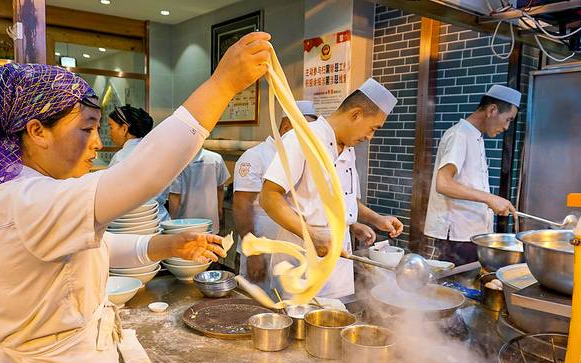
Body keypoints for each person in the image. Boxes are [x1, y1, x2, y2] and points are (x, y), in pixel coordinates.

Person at [0, 31, 271, 363]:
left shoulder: (28, 192)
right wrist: (223, 84)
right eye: (86, 128)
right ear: (37, 131)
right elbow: (142, 174)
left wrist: (165, 245)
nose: (98, 142)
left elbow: (83, 251)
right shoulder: (28, 199)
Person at [260, 79, 404, 299]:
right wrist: (312, 235)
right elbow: (269, 197)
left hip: (339, 265)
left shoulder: (348, 147)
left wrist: (375, 219)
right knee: (297, 328)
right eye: (372, 128)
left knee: (333, 327)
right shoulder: (303, 138)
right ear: (356, 114)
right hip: (300, 261)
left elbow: (343, 199)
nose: (369, 137)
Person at [424, 84, 520, 266]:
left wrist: (493, 201)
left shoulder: (475, 136)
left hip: (470, 235)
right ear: (492, 110)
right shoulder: (460, 134)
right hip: (457, 236)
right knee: (454, 290)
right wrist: (490, 198)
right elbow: (443, 183)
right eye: (508, 119)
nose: (507, 127)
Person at [233, 100, 318, 286]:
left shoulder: (303, 157)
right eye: (306, 132)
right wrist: (254, 253)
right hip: (263, 246)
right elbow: (242, 207)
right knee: (257, 305)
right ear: (287, 127)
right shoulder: (255, 157)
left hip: (293, 250)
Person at [107, 105, 170, 221]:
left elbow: (110, 196)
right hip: (161, 219)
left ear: (125, 129)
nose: (109, 133)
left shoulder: (120, 158)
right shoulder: (159, 153)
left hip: (132, 224)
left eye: (111, 127)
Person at [168, 148, 230, 234]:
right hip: (210, 221)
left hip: (185, 223)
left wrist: (172, 220)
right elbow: (220, 188)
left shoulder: (179, 161)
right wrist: (219, 208)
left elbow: (175, 195)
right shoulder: (216, 158)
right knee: (211, 245)